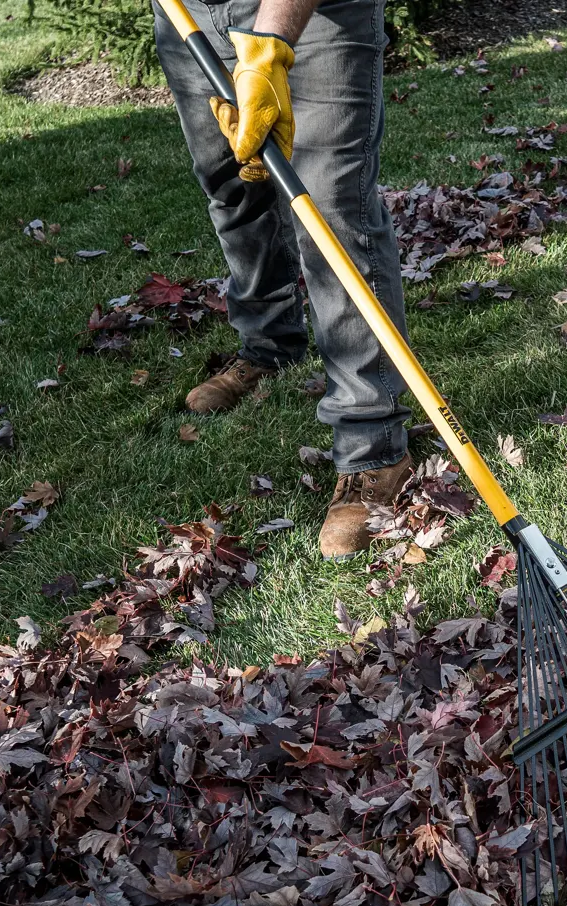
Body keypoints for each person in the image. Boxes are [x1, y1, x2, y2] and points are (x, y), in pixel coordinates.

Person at [153, 0, 413, 560]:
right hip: (190, 14)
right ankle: (269, 346)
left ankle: (372, 443)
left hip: (315, 15)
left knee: (331, 207)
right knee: (234, 187)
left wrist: (269, 46)